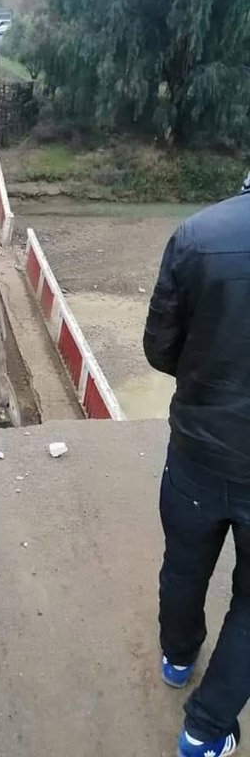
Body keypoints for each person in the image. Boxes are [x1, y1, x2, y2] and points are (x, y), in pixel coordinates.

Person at [144, 175, 250, 757]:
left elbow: (160, 348)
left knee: (185, 567)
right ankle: (204, 731)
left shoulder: (196, 234)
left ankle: (178, 659)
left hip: (197, 454)